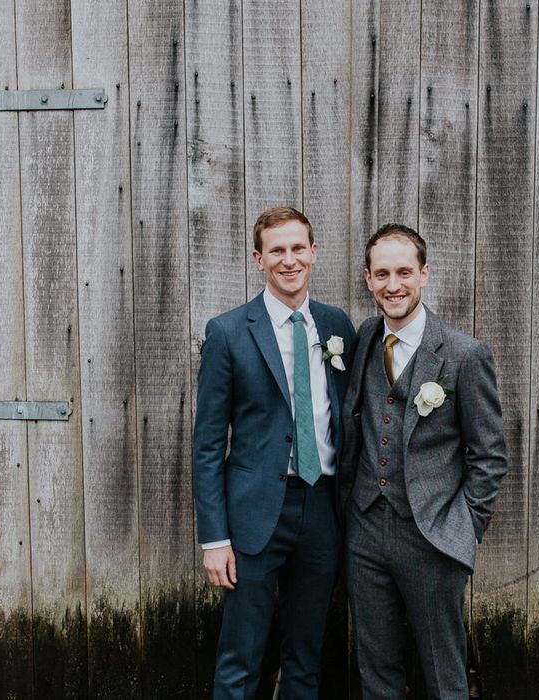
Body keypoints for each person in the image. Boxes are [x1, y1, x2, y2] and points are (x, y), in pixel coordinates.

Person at [193, 207, 356, 699]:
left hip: (322, 507)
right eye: (277, 251)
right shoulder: (227, 331)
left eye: (298, 248)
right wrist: (214, 539)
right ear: (258, 258)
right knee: (241, 655)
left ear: (314, 253)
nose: (289, 260)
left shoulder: (336, 324)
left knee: (307, 655)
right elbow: (206, 445)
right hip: (255, 513)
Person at [340, 223, 507, 699]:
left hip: (431, 534)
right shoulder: (365, 338)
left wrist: (462, 527)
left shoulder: (464, 355)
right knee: (377, 672)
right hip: (366, 530)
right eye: (383, 274)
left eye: (404, 273)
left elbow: (490, 454)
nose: (394, 285)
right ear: (368, 279)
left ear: (425, 274)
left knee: (443, 672)